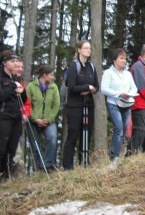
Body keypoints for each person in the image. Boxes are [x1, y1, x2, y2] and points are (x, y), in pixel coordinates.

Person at [62, 40, 99, 170]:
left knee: (87, 134)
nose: (88, 50)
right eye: (86, 48)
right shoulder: (73, 67)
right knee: (73, 134)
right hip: (74, 106)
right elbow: (71, 87)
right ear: (79, 50)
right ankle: (68, 166)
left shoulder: (91, 67)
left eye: (89, 48)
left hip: (88, 104)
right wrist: (87, 87)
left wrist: (90, 89)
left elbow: (96, 86)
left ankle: (84, 163)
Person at [101, 48, 138, 162]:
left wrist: (129, 94)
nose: (124, 61)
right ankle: (114, 156)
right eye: (121, 58)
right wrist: (119, 94)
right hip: (114, 104)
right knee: (119, 128)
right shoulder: (108, 73)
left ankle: (116, 153)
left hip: (126, 104)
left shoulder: (128, 74)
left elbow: (134, 88)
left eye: (125, 59)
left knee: (124, 129)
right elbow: (104, 89)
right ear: (114, 60)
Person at [26, 65, 60, 171]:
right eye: (51, 75)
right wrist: (34, 119)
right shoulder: (31, 86)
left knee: (52, 138)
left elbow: (56, 105)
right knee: (35, 145)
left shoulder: (54, 87)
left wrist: (48, 119)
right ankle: (39, 168)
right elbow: (27, 104)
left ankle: (48, 164)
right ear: (44, 75)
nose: (53, 77)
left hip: (48, 121)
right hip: (33, 121)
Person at [0, 52, 26, 181]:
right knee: (2, 147)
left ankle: (7, 176)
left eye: (16, 61)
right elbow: (1, 96)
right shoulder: (2, 77)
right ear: (4, 63)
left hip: (16, 118)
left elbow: (23, 99)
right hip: (4, 117)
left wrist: (22, 91)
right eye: (12, 61)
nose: (16, 64)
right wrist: (13, 86)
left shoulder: (16, 78)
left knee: (12, 149)